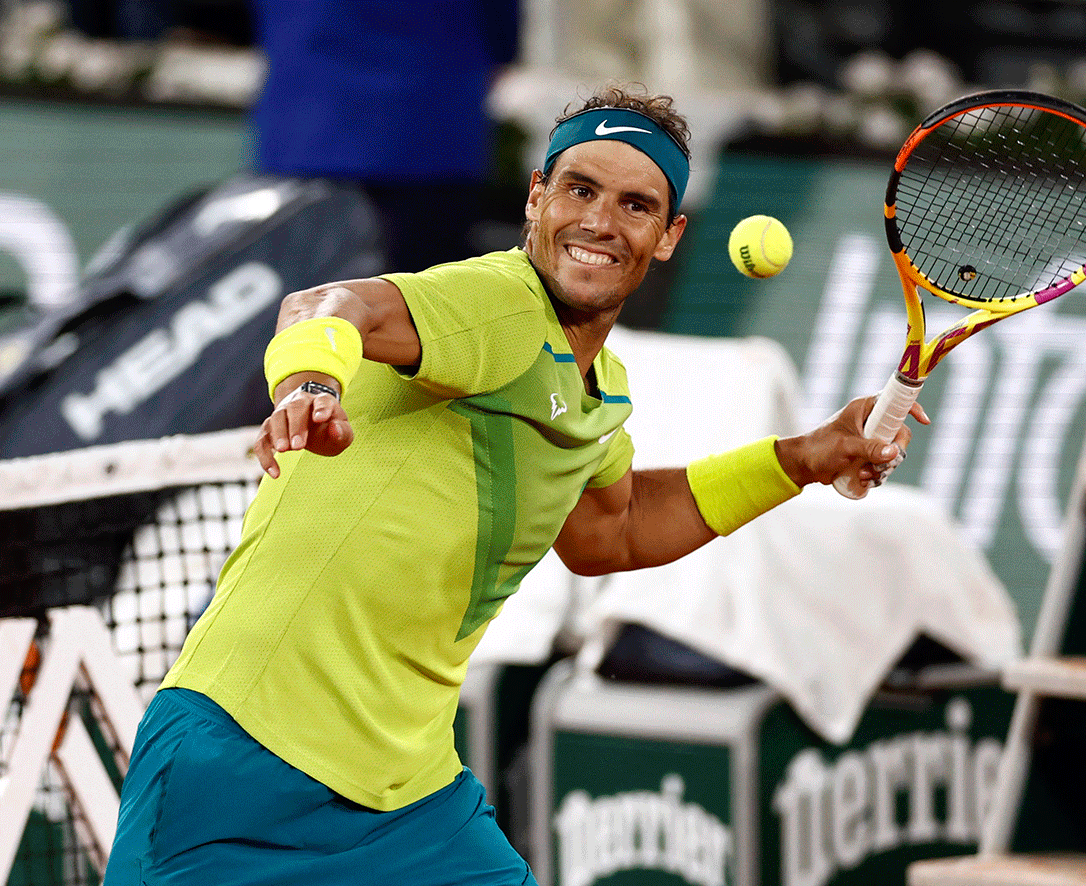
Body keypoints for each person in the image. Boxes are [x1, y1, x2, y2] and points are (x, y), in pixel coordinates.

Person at [104, 83, 928, 886]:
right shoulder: (495, 303)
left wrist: (801, 458)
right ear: (536, 198)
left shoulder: (597, 387)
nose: (601, 223)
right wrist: (312, 384)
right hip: (247, 757)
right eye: (580, 189)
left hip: (405, 794)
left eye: (636, 206)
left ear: (670, 234)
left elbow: (619, 528)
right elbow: (328, 305)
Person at [249, 0, 520, 272]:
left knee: (295, 296)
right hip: (428, 128)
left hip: (309, 128)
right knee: (420, 298)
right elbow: (500, 34)